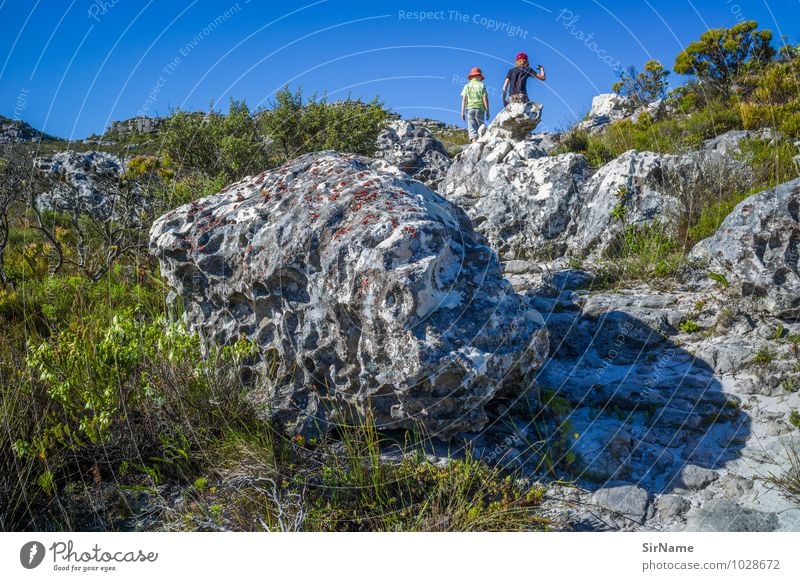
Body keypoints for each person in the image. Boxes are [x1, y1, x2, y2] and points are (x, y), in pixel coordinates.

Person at [460, 67, 489, 143]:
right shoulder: (482, 85)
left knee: (472, 128)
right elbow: (485, 98)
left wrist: (462, 112)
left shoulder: (467, 86)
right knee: (481, 127)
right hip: (480, 109)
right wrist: (487, 110)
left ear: (472, 77)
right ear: (479, 76)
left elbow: (464, 100)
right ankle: (481, 143)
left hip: (470, 109)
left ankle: (474, 143)